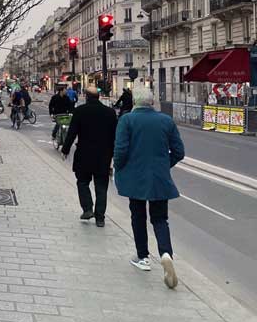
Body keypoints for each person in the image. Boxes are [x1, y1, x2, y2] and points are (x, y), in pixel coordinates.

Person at [114, 87, 184, 289]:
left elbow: (120, 150)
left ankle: (143, 257)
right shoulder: (166, 121)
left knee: (138, 216)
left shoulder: (127, 120)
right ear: (152, 102)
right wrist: (164, 165)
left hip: (135, 178)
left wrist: (119, 169)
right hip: (159, 178)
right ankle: (165, 253)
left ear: (135, 102)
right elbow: (179, 151)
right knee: (160, 219)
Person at [61, 85, 117, 227]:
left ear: (86, 97)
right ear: (98, 97)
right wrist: (115, 155)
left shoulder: (80, 111)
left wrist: (65, 149)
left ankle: (87, 208)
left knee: (82, 182)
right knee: (101, 187)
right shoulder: (110, 113)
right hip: (103, 156)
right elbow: (115, 136)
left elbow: (72, 132)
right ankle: (100, 218)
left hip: (84, 154)